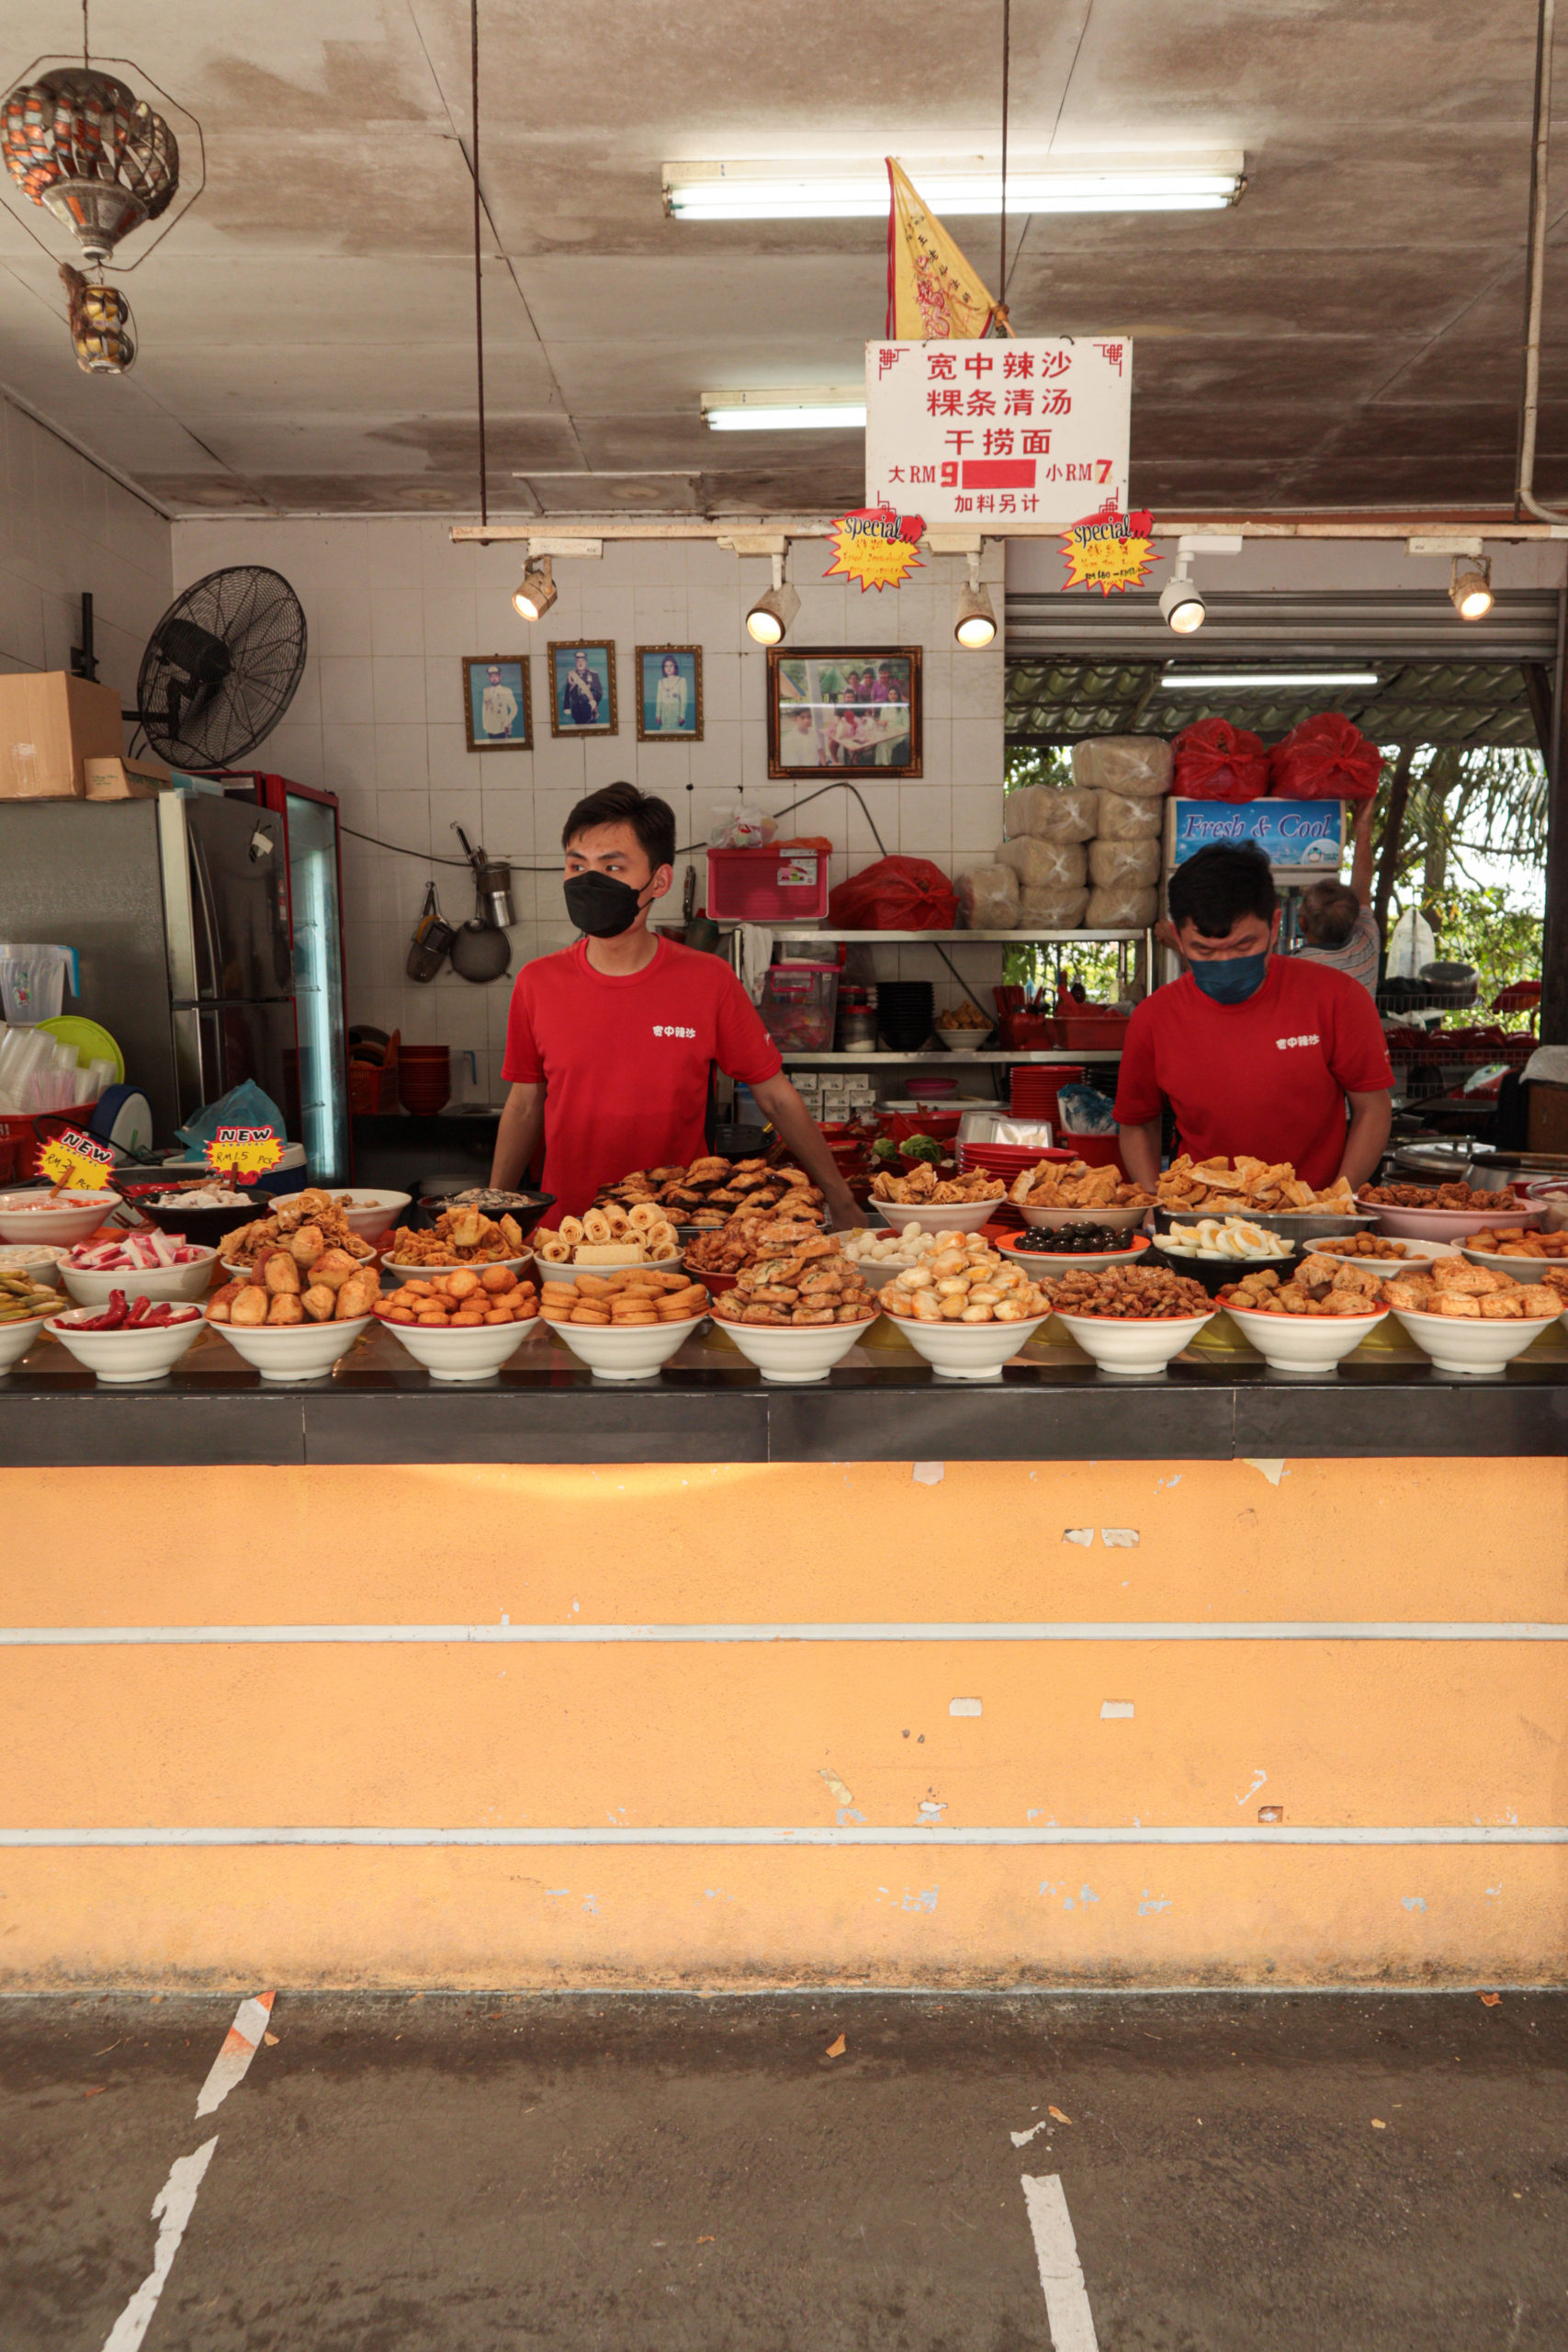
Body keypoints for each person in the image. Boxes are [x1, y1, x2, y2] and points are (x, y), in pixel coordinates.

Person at [490, 781, 860, 1227]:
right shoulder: (537, 982)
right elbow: (524, 1105)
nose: (590, 881)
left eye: (612, 866)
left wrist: (840, 1198)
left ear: (659, 880)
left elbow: (776, 1096)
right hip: (568, 1234)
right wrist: (496, 1210)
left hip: (678, 1231)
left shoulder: (708, 980)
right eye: (576, 865)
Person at [1115, 842, 1393, 1195]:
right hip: (1200, 1227)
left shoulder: (1339, 998)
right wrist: (1154, 1204)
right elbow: (1138, 1124)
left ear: (1275, 925)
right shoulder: (1153, 1018)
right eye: (1204, 950)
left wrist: (1337, 1198)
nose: (1226, 961)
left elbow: (1373, 1109)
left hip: (1313, 1219)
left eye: (1243, 946)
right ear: (1178, 938)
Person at [1293, 801, 1380, 995]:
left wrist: (1363, 828)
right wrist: (1363, 829)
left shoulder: (1296, 967)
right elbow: (1363, 885)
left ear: (1302, 923)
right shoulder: (1367, 946)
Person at [559, 647, 603, 728]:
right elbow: (567, 693)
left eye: (582, 661)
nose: (580, 663)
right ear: (575, 662)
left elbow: (600, 692)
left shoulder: (593, 674)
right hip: (576, 709)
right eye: (578, 661)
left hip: (590, 708)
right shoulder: (571, 675)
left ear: (586, 662)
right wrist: (566, 707)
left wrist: (595, 702)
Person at [479, 664, 519, 741]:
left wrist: (507, 722)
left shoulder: (506, 691)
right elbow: (484, 709)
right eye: (491, 676)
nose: (494, 678)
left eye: (496, 676)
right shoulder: (486, 691)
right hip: (490, 727)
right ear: (489, 678)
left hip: (502, 727)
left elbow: (514, 709)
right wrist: (485, 725)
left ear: (500, 677)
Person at [652, 653, 688, 734]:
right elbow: (659, 700)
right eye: (666, 666)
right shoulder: (660, 682)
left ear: (675, 667)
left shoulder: (681, 681)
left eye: (671, 666)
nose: (668, 668)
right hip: (665, 717)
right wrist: (658, 715)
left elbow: (684, 700)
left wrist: (682, 716)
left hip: (677, 716)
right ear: (663, 668)